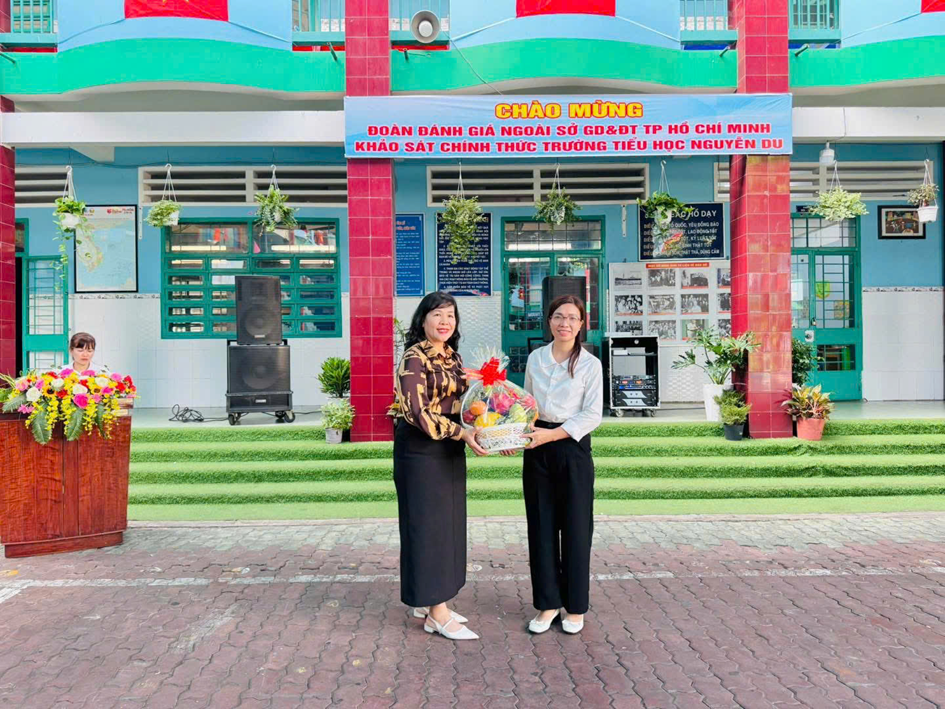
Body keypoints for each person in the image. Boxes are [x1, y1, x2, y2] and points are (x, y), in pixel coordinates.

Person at [393, 291, 487, 641]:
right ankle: (437, 613)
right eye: (437, 314)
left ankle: (430, 600)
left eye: (450, 315)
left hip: (449, 449)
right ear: (423, 320)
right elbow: (418, 413)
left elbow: (461, 402)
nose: (445, 321)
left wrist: (488, 406)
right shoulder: (413, 358)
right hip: (421, 451)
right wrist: (463, 432)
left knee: (448, 526)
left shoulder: (452, 356)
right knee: (428, 528)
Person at [517, 294, 603, 635]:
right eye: (558, 316)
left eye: (572, 318)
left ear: (581, 324)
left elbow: (592, 414)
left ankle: (575, 607)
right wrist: (515, 436)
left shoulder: (590, 365)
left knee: (576, 527)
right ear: (549, 321)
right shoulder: (535, 358)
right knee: (541, 526)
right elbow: (526, 404)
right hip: (536, 446)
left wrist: (550, 436)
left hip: (572, 446)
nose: (564, 323)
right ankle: (548, 604)